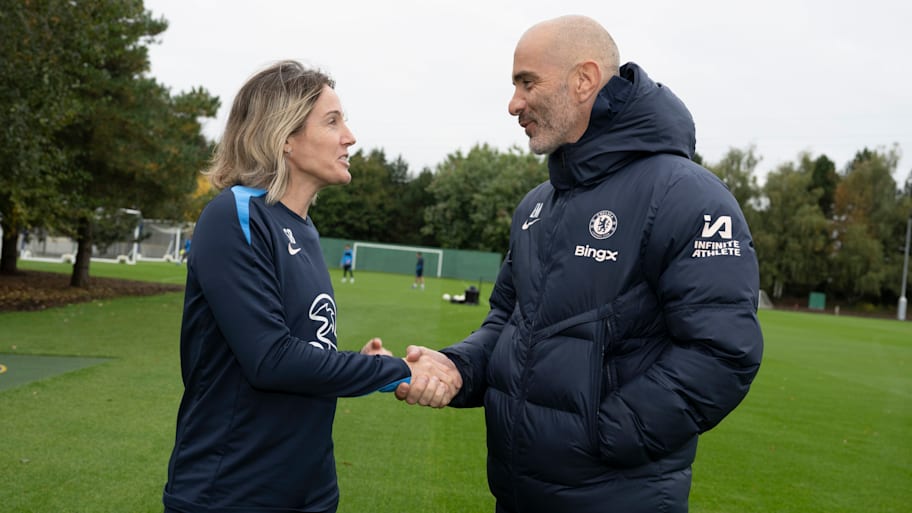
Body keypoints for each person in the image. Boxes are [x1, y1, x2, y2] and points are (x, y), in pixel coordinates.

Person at [396, 15, 764, 513]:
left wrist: (606, 435)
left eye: (528, 82)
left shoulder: (686, 195)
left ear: (584, 79)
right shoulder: (536, 205)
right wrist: (457, 366)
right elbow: (507, 322)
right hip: (518, 493)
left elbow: (722, 352)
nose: (513, 104)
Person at [162, 60, 458, 513]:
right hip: (233, 491)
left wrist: (361, 365)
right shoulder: (235, 215)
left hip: (310, 489)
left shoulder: (304, 228)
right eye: (332, 121)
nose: (350, 137)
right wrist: (397, 371)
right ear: (284, 137)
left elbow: (302, 352)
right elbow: (270, 359)